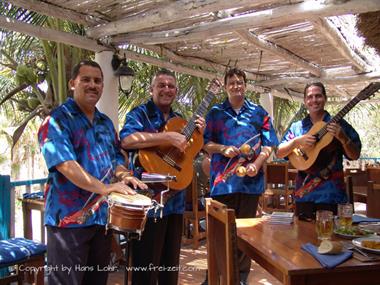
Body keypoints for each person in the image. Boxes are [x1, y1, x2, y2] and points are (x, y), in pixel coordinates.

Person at [38, 60, 146, 285]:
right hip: (68, 221)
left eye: (97, 81)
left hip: (101, 219)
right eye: (85, 79)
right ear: (72, 83)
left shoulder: (105, 123)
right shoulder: (56, 120)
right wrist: (107, 188)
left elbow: (115, 158)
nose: (92, 85)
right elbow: (66, 165)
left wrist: (124, 175)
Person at [119, 68, 205, 285]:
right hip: (147, 201)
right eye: (161, 85)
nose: (167, 89)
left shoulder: (180, 121)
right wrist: (166, 136)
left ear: (176, 91)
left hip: (174, 200)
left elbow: (188, 153)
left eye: (171, 86)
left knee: (169, 268)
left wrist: (198, 135)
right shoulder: (139, 114)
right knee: (145, 267)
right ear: (151, 89)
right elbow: (127, 141)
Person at [203, 68, 278, 285]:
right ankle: (215, 277)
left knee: (245, 234)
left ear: (246, 85)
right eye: (232, 83)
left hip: (250, 183)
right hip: (222, 184)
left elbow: (268, 144)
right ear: (226, 87)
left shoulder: (259, 113)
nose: (236, 86)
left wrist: (256, 163)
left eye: (240, 82)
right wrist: (222, 148)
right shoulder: (215, 113)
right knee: (219, 234)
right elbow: (205, 143)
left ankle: (240, 278)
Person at [276, 82, 361, 218]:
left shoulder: (339, 125)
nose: (314, 100)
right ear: (305, 101)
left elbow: (355, 155)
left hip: (332, 195)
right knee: (302, 237)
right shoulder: (297, 127)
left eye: (318, 96)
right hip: (304, 195)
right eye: (310, 97)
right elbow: (279, 152)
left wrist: (343, 138)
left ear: (325, 99)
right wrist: (297, 141)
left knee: (332, 237)